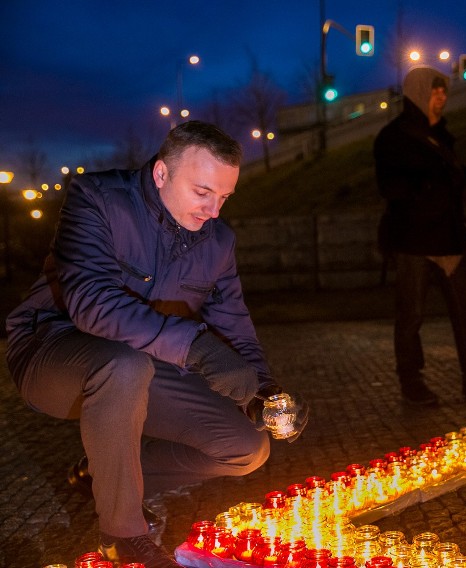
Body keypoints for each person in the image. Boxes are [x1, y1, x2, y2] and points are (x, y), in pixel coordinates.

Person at [5, 121, 307, 567]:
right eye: (203, 191)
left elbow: (234, 324)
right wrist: (198, 347)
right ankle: (123, 535)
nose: (214, 211)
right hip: (53, 348)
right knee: (125, 365)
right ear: (162, 173)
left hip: (147, 361)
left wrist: (266, 393)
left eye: (225, 197)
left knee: (246, 446)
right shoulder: (98, 200)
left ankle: (100, 473)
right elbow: (91, 303)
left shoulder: (218, 242)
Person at [373, 66, 466, 405]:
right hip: (414, 242)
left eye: (444, 91)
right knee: (411, 316)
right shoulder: (395, 137)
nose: (442, 96)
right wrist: (433, 183)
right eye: (435, 90)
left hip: (449, 239)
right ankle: (412, 383)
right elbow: (394, 187)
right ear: (418, 93)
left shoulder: (443, 136)